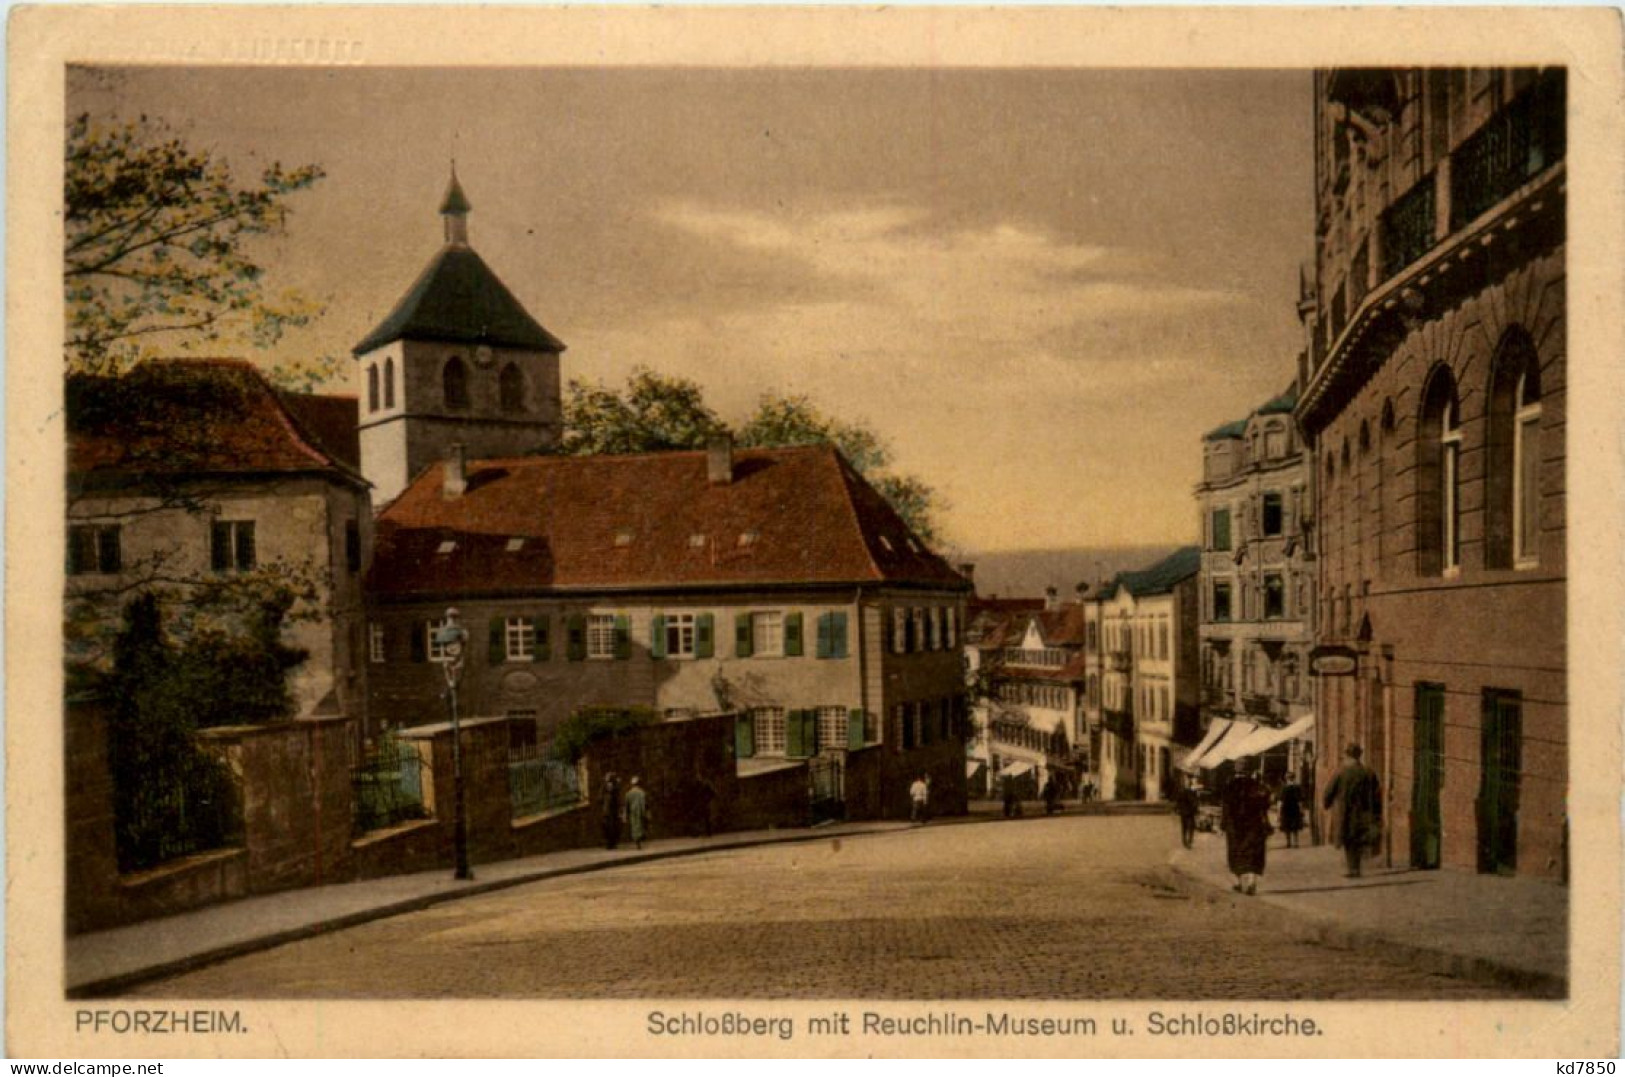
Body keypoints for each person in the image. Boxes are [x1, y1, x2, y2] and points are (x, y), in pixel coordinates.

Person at [1323, 744, 1382, 877]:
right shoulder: (1368, 772)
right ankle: (1356, 867)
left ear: (1347, 755)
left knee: (1349, 840)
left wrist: (1327, 803)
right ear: (1359, 755)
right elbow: (1376, 793)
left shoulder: (1341, 771)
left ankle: (1352, 869)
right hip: (1363, 811)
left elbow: (1329, 790)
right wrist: (1377, 812)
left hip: (1346, 811)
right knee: (1358, 839)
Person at [1221, 758, 1273, 895]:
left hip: (1234, 824)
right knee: (1253, 852)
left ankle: (1238, 883)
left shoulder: (1229, 785)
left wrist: (1223, 825)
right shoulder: (1257, 785)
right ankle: (1251, 883)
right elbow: (1265, 804)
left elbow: (1225, 807)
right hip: (1253, 823)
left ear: (1235, 769)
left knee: (1235, 851)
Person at [1278, 776, 1306, 848]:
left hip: (1286, 809)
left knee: (1287, 826)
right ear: (1294, 778)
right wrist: (1301, 810)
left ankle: (1288, 843)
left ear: (1287, 779)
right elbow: (1300, 800)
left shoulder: (1284, 788)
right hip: (1295, 808)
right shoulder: (1297, 787)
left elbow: (1280, 801)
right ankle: (1296, 843)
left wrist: (1279, 812)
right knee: (1295, 826)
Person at [1173, 779, 1200, 849]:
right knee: (1190, 827)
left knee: (1185, 827)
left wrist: (1177, 809)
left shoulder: (1183, 790)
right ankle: (1188, 841)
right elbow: (1193, 802)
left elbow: (1178, 801)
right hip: (1189, 812)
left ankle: (1185, 841)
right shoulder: (1190, 791)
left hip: (1184, 812)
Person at [625, 776, 650, 850]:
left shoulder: (628, 793)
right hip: (641, 811)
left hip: (633, 812)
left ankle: (637, 840)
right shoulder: (642, 793)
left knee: (634, 826)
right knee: (640, 825)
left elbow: (627, 804)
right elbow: (645, 803)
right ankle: (639, 839)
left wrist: (626, 813)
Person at [600, 772, 623, 850]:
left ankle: (611, 843)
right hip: (609, 812)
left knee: (611, 828)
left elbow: (600, 799)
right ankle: (610, 843)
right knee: (609, 828)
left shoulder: (608, 791)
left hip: (610, 812)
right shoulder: (607, 791)